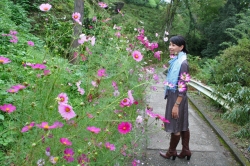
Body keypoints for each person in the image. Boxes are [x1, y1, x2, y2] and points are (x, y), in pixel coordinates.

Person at [159, 35, 191, 160]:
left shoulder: (183, 64)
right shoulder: (177, 60)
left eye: (173, 45)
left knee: (175, 124)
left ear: (181, 47)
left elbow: (183, 86)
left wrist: (176, 105)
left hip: (178, 97)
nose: (170, 47)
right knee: (182, 123)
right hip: (175, 95)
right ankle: (185, 150)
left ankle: (171, 152)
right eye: (170, 44)